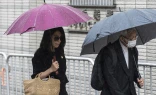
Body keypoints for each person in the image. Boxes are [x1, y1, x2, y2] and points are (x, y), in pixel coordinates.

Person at [100, 28, 144, 95]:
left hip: (130, 91)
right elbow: (109, 77)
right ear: (122, 38)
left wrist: (139, 80)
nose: (134, 40)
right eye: (131, 38)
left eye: (135, 37)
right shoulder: (109, 51)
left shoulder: (133, 50)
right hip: (113, 92)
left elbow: (134, 70)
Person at [31, 27, 68, 95]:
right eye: (56, 38)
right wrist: (51, 69)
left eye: (61, 38)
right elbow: (36, 78)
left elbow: (62, 72)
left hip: (61, 90)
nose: (59, 41)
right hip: (46, 91)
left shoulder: (60, 52)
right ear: (49, 37)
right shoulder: (40, 54)